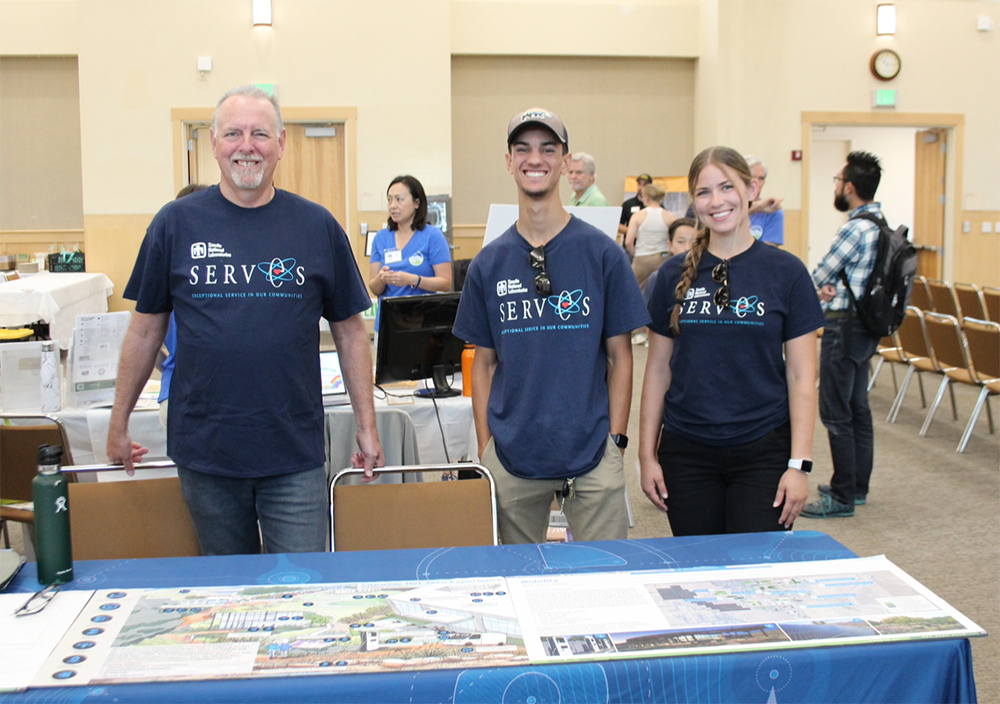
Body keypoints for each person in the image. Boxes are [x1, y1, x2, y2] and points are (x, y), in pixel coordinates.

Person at [107, 85, 384, 555]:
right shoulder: (175, 224)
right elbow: (145, 329)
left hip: (293, 454)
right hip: (206, 452)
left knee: (303, 589)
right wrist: (119, 421)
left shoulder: (316, 226)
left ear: (281, 146)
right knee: (226, 598)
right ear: (214, 143)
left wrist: (367, 423)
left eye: (260, 133)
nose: (247, 145)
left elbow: (350, 332)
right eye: (233, 133)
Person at [453, 107, 649, 544]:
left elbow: (621, 357)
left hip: (593, 451)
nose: (534, 158)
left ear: (564, 161)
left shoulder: (602, 255)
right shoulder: (489, 263)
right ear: (508, 162)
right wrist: (488, 449)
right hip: (512, 454)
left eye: (547, 148)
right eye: (522, 149)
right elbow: (482, 365)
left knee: (607, 580)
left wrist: (616, 442)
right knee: (514, 584)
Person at [638, 146, 824, 536]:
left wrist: (799, 464)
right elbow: (656, 371)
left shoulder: (786, 272)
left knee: (756, 577)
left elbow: (802, 378)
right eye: (704, 192)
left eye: (727, 187)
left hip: (763, 450)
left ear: (751, 188)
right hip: (686, 452)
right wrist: (646, 454)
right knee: (698, 575)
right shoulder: (672, 275)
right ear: (693, 201)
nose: (716, 201)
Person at [802, 151, 886, 519]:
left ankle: (840, 497)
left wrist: (814, 289)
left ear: (849, 187)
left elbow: (822, 273)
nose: (836, 186)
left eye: (837, 180)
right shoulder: (881, 223)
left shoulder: (854, 227)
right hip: (866, 326)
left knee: (835, 412)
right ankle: (856, 485)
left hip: (842, 326)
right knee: (857, 408)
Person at [123, 183, 210, 429]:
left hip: (176, 393)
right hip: (188, 398)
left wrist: (169, 367)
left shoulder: (176, 273)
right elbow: (144, 337)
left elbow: (148, 342)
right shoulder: (191, 275)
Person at [367, 175, 452, 338]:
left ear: (416, 203)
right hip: (388, 324)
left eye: (399, 200)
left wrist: (413, 280)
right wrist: (381, 279)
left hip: (423, 321)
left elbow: (445, 283)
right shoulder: (381, 238)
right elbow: (374, 287)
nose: (393, 206)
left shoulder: (433, 236)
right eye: (389, 200)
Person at [626, 183, 675, 345]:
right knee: (660, 296)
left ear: (645, 197)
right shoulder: (669, 216)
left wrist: (635, 254)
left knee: (636, 295)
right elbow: (674, 239)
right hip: (663, 258)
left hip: (642, 257)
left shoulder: (638, 216)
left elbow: (628, 241)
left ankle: (639, 332)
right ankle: (654, 335)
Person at [745, 155, 784, 246]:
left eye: (761, 178)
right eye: (751, 177)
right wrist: (759, 206)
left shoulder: (773, 212)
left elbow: (767, 254)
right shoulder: (726, 208)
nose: (756, 183)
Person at [618, 172, 652, 240]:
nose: (641, 187)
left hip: (649, 245)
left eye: (645, 184)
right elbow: (618, 225)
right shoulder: (628, 204)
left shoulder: (655, 205)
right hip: (631, 244)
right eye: (639, 184)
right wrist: (632, 231)